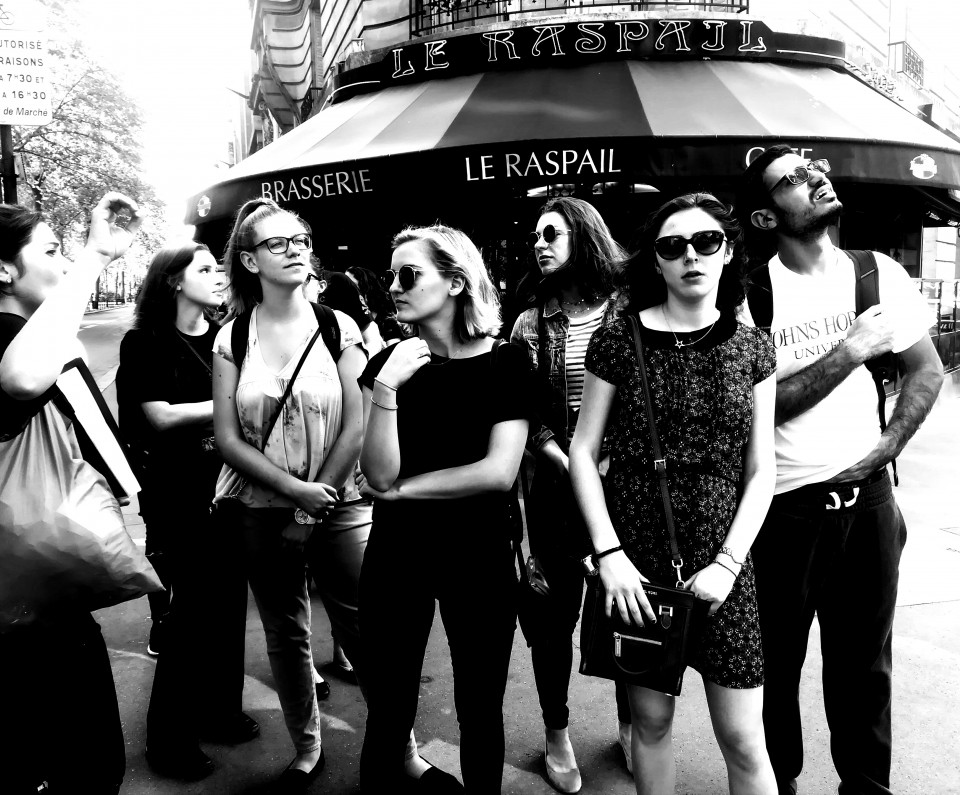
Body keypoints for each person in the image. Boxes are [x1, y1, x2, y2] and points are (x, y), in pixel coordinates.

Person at [738, 146, 944, 795]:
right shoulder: (750, 296)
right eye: (791, 180)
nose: (814, 178)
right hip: (781, 513)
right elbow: (759, 409)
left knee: (865, 673)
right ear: (767, 217)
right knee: (773, 671)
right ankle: (781, 786)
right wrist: (848, 349)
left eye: (813, 168)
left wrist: (886, 448)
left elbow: (926, 368)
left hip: (869, 506)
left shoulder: (875, 271)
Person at [569, 192, 779, 794]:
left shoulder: (752, 348)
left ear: (728, 251)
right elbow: (584, 452)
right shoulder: (617, 340)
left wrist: (728, 564)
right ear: (655, 261)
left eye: (706, 241)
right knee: (651, 727)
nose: (691, 255)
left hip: (725, 563)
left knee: (743, 739)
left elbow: (761, 469)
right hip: (636, 558)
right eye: (672, 246)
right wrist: (610, 557)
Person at [357, 224, 534, 793]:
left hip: (477, 555)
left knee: (480, 706)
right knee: (388, 704)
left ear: (457, 280)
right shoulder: (388, 363)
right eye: (390, 276)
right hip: (395, 555)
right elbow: (377, 473)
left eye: (408, 274)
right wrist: (386, 387)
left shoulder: (507, 362)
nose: (394, 287)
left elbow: (497, 472)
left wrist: (403, 493)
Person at [212, 198, 372, 792]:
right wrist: (291, 491)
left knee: (363, 629)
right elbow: (227, 437)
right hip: (261, 506)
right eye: (278, 243)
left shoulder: (339, 326)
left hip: (341, 502)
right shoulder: (232, 336)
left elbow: (358, 424)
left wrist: (313, 501)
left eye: (300, 238)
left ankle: (399, 745)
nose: (296, 248)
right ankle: (308, 749)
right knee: (285, 631)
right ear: (250, 261)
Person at [0, 193, 143, 793]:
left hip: (32, 581)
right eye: (50, 251)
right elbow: (24, 377)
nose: (61, 266)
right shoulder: (7, 338)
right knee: (80, 761)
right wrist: (92, 255)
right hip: (28, 592)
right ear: (3, 269)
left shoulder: (27, 332)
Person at [117, 241, 256, 780]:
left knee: (227, 608)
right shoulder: (145, 341)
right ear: (173, 280)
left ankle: (219, 712)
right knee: (189, 615)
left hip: (229, 490)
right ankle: (169, 741)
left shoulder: (226, 338)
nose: (217, 276)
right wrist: (230, 404)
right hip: (178, 497)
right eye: (203, 268)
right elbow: (159, 417)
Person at [509, 197, 632, 792]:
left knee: (629, 611)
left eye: (552, 233)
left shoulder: (629, 310)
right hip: (556, 490)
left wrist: (609, 461)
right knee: (551, 618)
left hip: (624, 487)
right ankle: (557, 735)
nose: (540, 243)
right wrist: (562, 457)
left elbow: (646, 397)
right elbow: (525, 410)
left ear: (584, 236)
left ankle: (632, 722)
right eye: (535, 235)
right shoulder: (530, 321)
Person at [346, 264, 406, 345]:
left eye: (351, 285)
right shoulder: (343, 319)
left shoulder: (387, 323)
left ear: (366, 290)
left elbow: (394, 353)